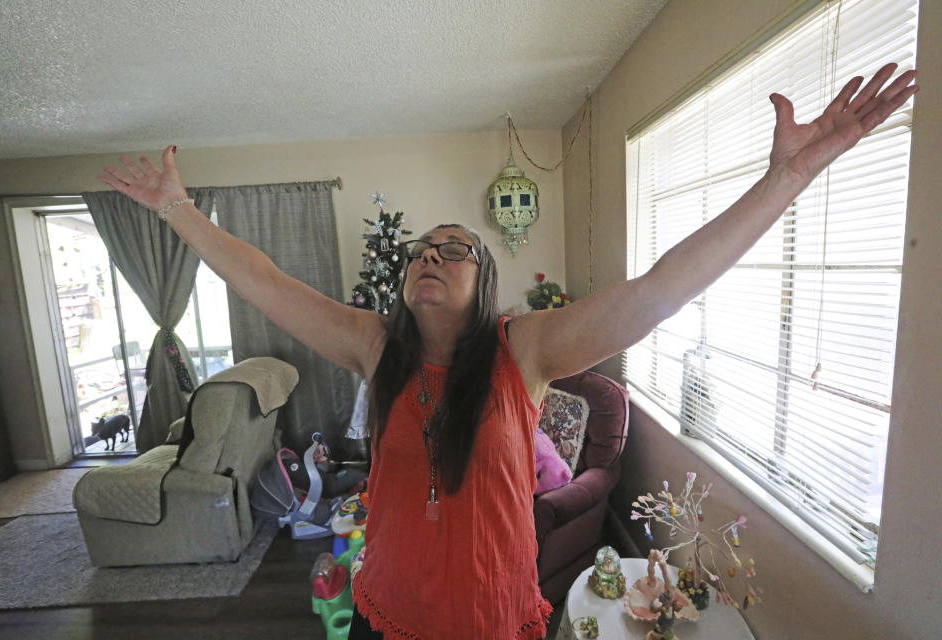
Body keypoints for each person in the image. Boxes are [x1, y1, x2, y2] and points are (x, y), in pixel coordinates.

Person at [96, 63, 918, 639]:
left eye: (453, 249)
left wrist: (785, 179)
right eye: (422, 248)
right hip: (385, 611)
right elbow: (266, 281)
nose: (429, 255)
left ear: (484, 280)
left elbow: (660, 289)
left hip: (494, 619)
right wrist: (178, 210)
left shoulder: (523, 350)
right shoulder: (374, 346)